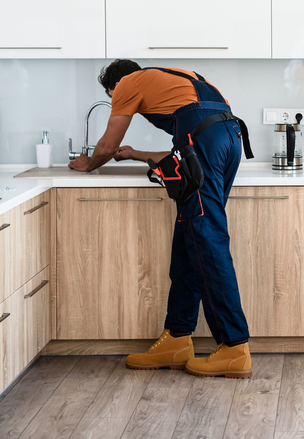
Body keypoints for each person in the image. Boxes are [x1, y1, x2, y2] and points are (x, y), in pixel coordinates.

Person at [68, 59, 253, 379]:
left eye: (113, 97)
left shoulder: (127, 84)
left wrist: (88, 165)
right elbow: (189, 149)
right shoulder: (183, 79)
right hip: (229, 137)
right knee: (191, 239)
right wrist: (137, 154)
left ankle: (234, 347)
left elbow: (107, 144)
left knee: (206, 239)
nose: (118, 102)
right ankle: (177, 339)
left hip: (205, 144)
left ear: (115, 86)